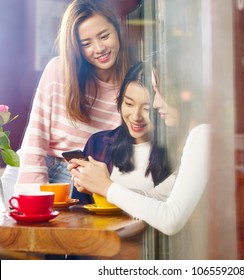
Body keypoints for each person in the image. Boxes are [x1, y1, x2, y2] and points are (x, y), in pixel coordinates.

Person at [1, 0, 130, 196]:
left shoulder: (133, 86)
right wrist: (35, 196)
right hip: (31, 168)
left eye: (104, 36)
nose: (99, 48)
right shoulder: (58, 70)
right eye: (86, 43)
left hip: (82, 179)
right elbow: (36, 139)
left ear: (118, 30)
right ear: (76, 47)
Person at [68, 59, 210, 236]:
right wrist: (98, 185)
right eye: (128, 103)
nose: (156, 104)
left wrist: (107, 187)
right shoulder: (194, 137)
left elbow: (170, 219)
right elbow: (154, 197)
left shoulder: (201, 135)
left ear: (184, 93)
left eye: (160, 92)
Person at [71, 62, 171, 204]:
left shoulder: (172, 152)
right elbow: (81, 208)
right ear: (120, 101)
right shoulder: (99, 143)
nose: (136, 116)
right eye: (129, 104)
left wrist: (103, 187)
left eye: (147, 109)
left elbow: (163, 209)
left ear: (160, 106)